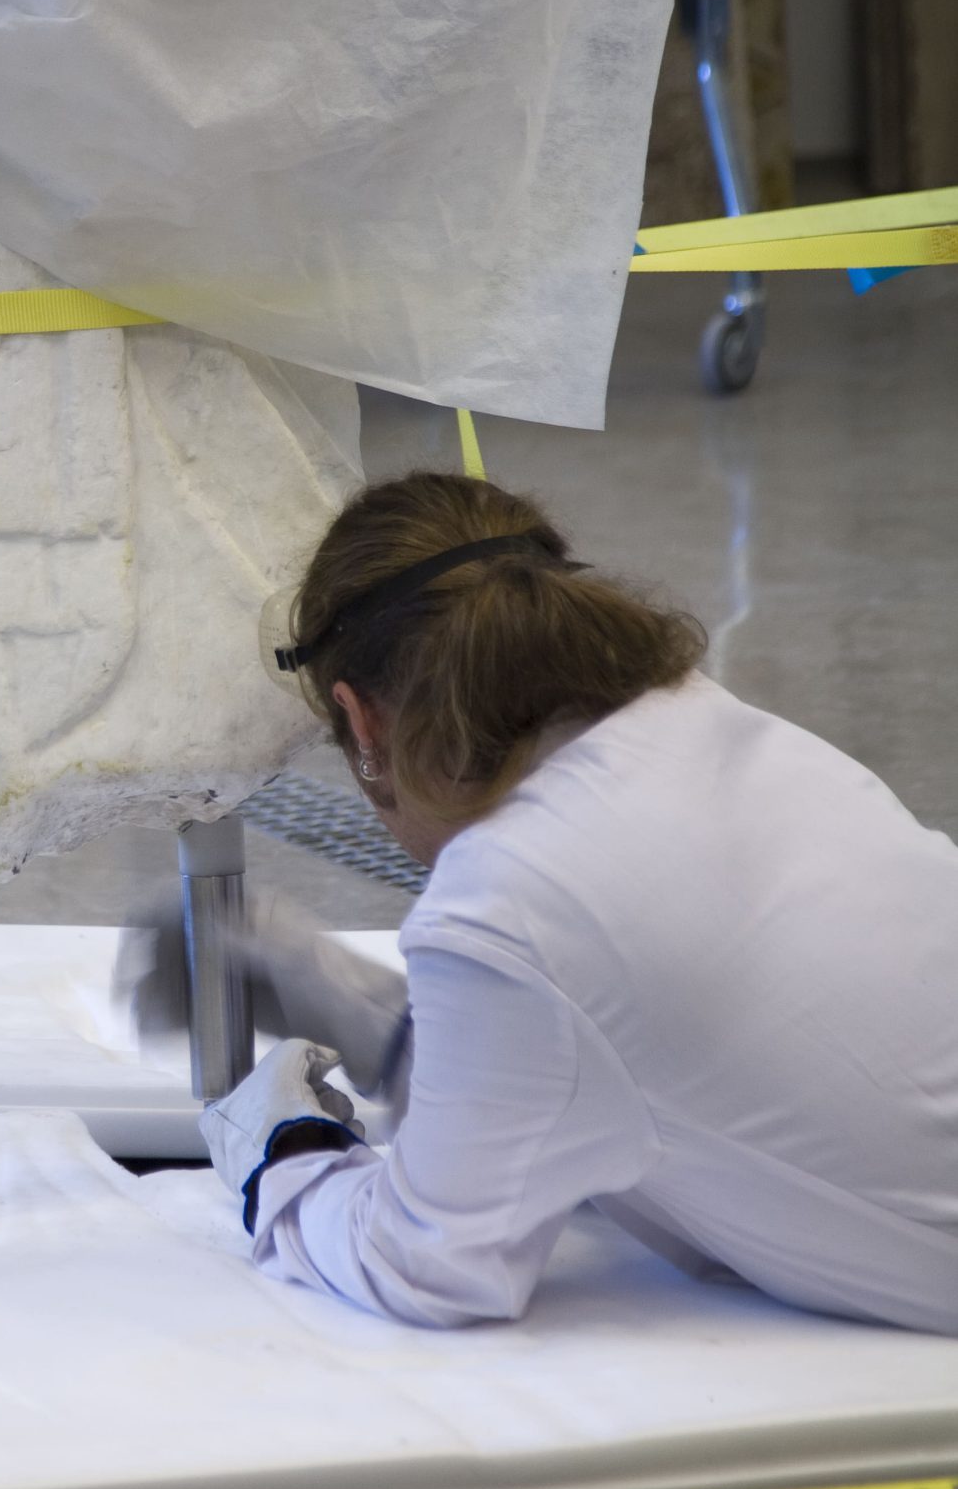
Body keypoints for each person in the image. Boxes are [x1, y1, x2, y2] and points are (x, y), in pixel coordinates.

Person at [190, 470, 958, 1334]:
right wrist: (387, 1026)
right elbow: (621, 1037)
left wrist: (281, 1151)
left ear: (361, 724)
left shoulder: (503, 899)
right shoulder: (708, 720)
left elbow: (427, 1265)